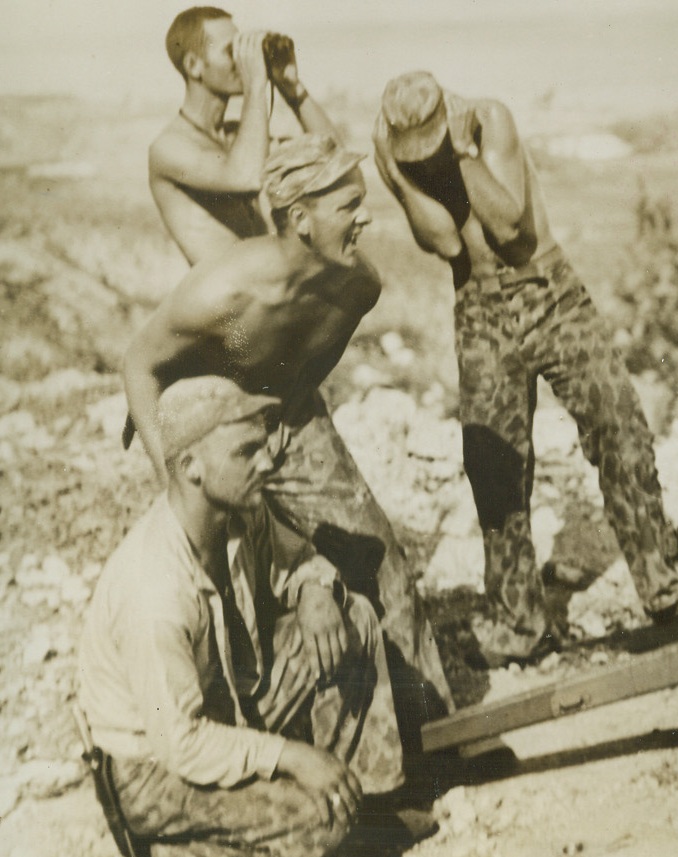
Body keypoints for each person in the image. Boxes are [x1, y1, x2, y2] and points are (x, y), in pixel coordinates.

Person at [124, 133, 455, 723]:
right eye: (348, 206)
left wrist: (285, 421)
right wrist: (171, 472)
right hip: (211, 428)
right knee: (223, 588)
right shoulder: (224, 289)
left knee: (377, 559)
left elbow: (309, 369)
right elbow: (140, 364)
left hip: (291, 414)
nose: (365, 218)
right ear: (300, 219)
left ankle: (432, 728)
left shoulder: (358, 286)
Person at [372, 71, 678, 667]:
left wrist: (463, 154)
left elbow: (509, 225)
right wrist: (396, 176)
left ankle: (664, 585)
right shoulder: (400, 152)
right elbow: (446, 243)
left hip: (548, 293)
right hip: (478, 310)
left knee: (618, 429)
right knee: (495, 470)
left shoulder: (488, 120)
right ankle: (519, 621)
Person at [78, 376, 410, 857]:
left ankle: (368, 801)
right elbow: (180, 743)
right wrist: (291, 756)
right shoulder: (154, 592)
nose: (268, 461)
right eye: (246, 451)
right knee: (318, 820)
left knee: (356, 620)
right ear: (191, 468)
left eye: (263, 444)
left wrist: (314, 591)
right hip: (153, 771)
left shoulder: (241, 511)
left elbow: (298, 562)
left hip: (225, 701)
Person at [149, 6, 340, 265]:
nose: (243, 62)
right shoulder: (169, 147)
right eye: (232, 51)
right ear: (194, 66)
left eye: (244, 50)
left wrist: (292, 87)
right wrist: (256, 84)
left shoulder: (239, 137)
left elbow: (335, 158)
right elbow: (245, 177)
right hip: (225, 302)